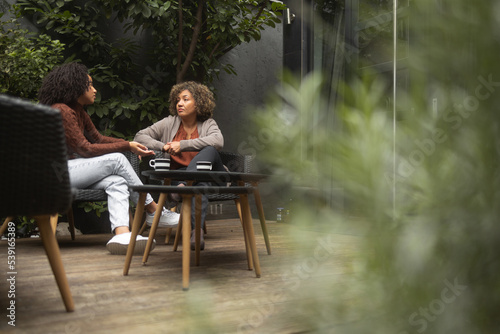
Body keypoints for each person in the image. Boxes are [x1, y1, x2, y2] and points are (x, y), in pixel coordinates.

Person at [38, 62, 180, 255]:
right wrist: (125, 146)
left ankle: (122, 234)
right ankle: (153, 210)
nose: (95, 90)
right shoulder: (62, 110)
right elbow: (86, 149)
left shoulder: (78, 111)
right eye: (90, 85)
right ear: (75, 86)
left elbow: (98, 138)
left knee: (117, 181)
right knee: (117, 159)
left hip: (71, 171)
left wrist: (129, 144)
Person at [134, 81, 225, 250]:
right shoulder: (169, 123)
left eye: (185, 99)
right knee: (200, 184)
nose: (180, 104)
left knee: (211, 150)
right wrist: (163, 146)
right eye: (177, 100)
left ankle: (186, 185)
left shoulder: (208, 124)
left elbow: (218, 141)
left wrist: (182, 145)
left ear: (198, 103)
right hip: (182, 179)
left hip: (213, 175)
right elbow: (140, 136)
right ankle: (196, 232)